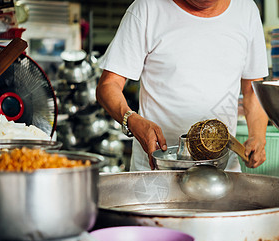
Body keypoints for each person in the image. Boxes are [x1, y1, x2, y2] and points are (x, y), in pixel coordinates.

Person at [96, 0, 269, 171]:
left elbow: (253, 91)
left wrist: (258, 136)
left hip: (220, 173)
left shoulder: (247, 11)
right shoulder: (147, 8)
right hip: (157, 172)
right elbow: (108, 85)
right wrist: (132, 120)